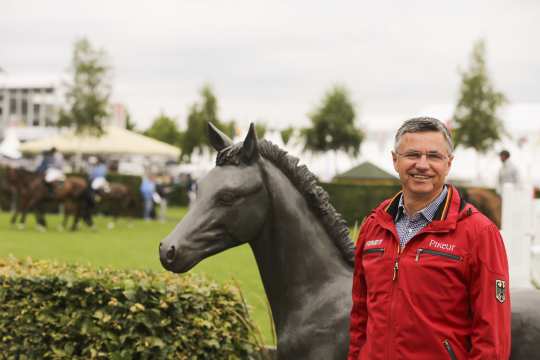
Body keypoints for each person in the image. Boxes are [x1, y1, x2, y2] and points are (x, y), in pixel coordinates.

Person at [348, 117, 511, 359]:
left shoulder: (479, 233)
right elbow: (360, 317)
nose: (422, 165)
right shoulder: (374, 226)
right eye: (412, 154)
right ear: (395, 160)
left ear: (449, 163)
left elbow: (492, 337)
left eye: (434, 156)